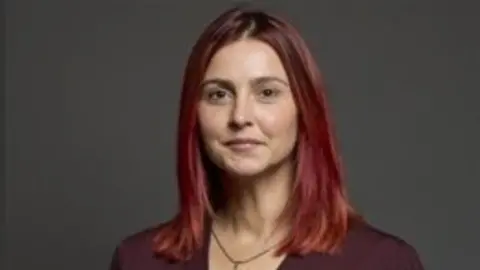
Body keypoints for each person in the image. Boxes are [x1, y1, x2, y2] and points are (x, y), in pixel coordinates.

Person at [109, 5, 424, 270]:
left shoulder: (380, 262)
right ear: (194, 113)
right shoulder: (138, 260)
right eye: (219, 94)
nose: (240, 116)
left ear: (304, 109)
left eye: (267, 92)